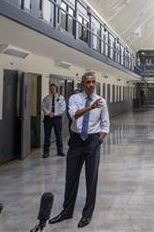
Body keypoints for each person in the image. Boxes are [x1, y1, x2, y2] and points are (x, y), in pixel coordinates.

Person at [49, 71, 109, 228]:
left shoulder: (101, 101)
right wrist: (90, 107)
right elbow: (74, 115)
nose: (91, 85)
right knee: (71, 178)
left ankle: (87, 214)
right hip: (76, 141)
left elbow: (105, 124)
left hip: (93, 141)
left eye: (93, 82)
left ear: (96, 83)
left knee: (91, 179)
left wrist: (98, 141)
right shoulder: (75, 99)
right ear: (83, 84)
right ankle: (66, 212)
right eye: (88, 82)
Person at [42, 83, 66, 158]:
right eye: (51, 89)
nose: (52, 90)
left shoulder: (61, 98)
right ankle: (46, 152)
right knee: (47, 136)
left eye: (54, 89)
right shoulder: (46, 98)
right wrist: (49, 113)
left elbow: (63, 108)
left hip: (57, 118)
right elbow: (43, 107)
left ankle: (60, 151)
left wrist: (55, 114)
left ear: (56, 89)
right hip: (48, 118)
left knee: (58, 135)